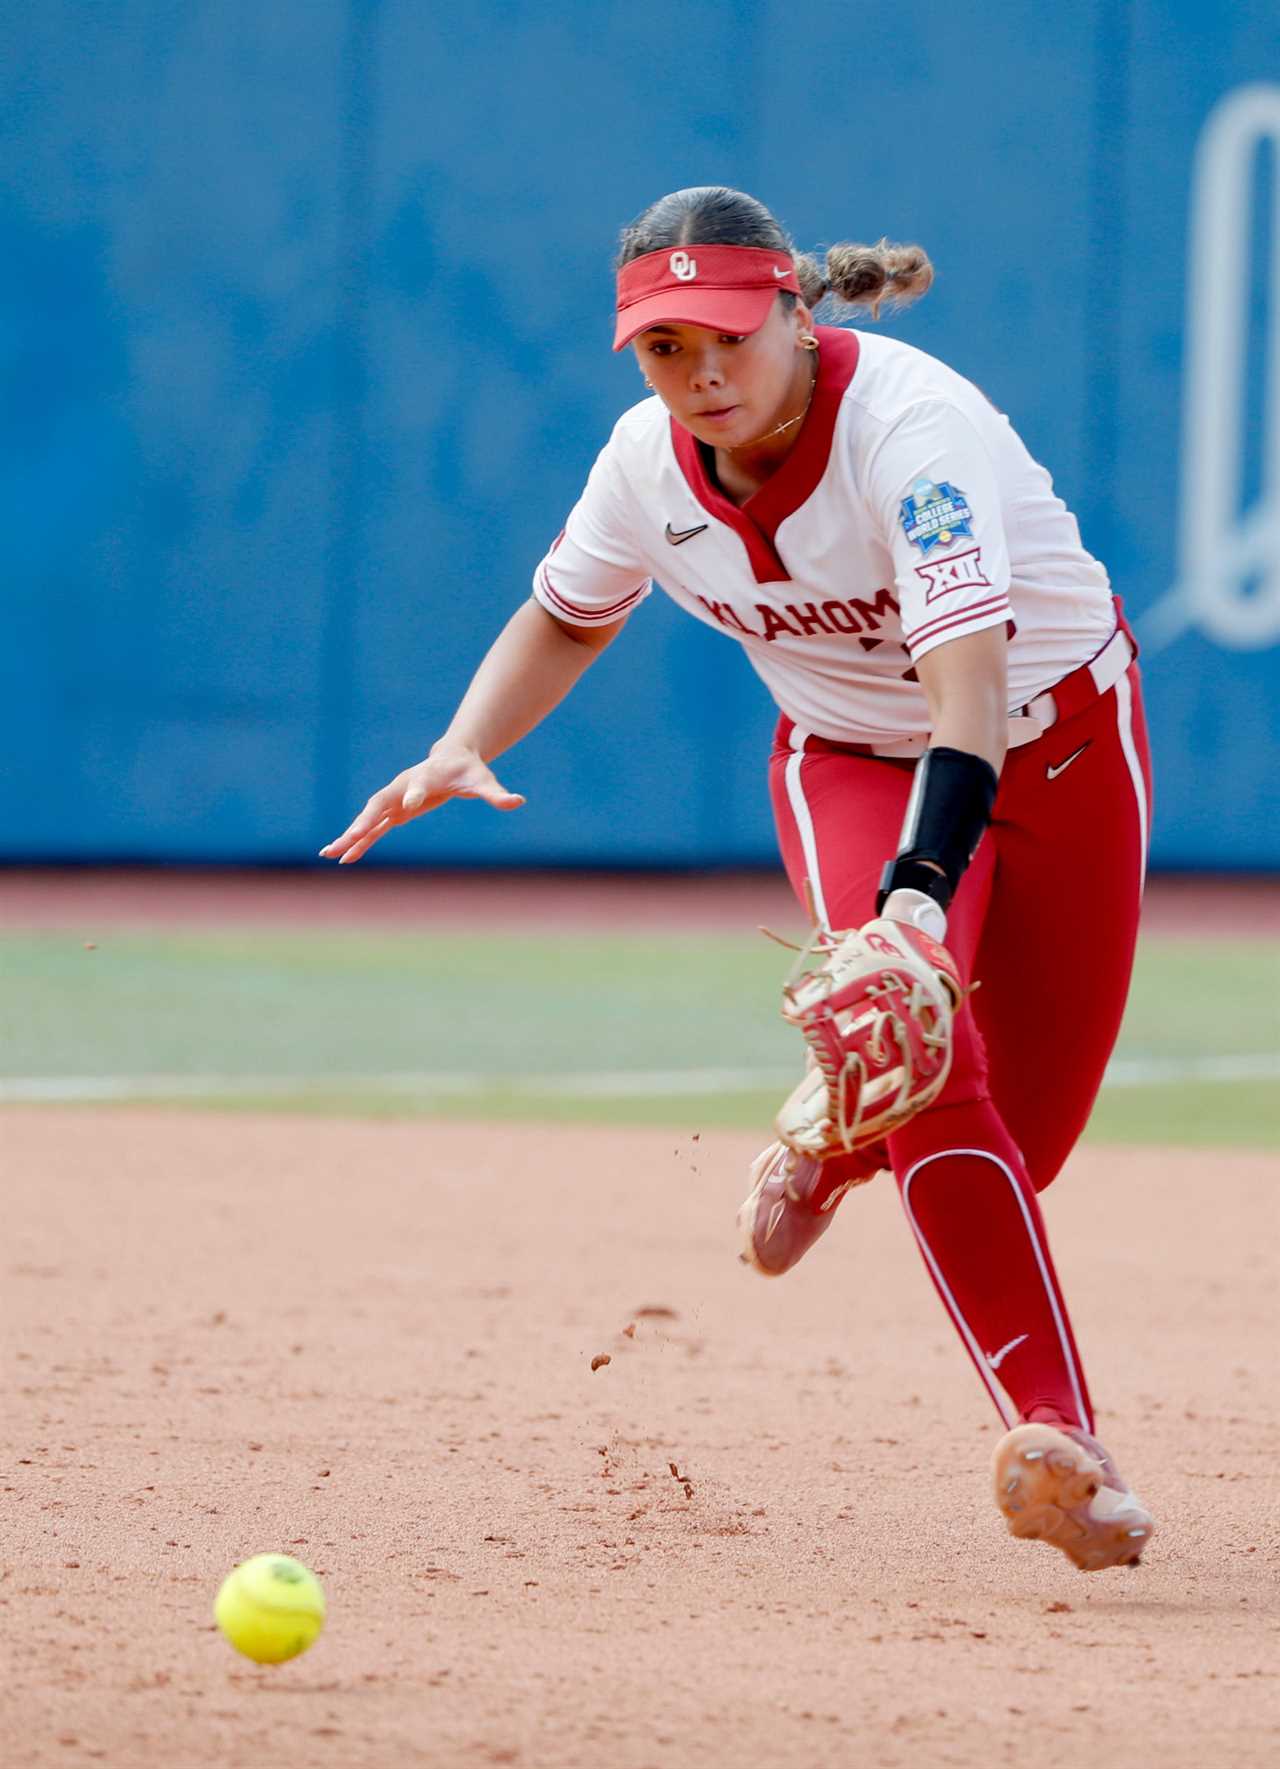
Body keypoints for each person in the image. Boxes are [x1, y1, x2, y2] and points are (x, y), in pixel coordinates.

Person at [321, 186, 1155, 1574]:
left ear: (793, 308)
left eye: (723, 338)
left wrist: (917, 893)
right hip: (844, 758)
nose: (698, 375)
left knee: (1032, 1141)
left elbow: (968, 689)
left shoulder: (913, 432)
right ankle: (1058, 1439)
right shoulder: (648, 468)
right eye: (663, 349)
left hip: (1049, 744)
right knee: (927, 1056)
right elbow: (565, 614)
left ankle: (831, 1132)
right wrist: (460, 742)